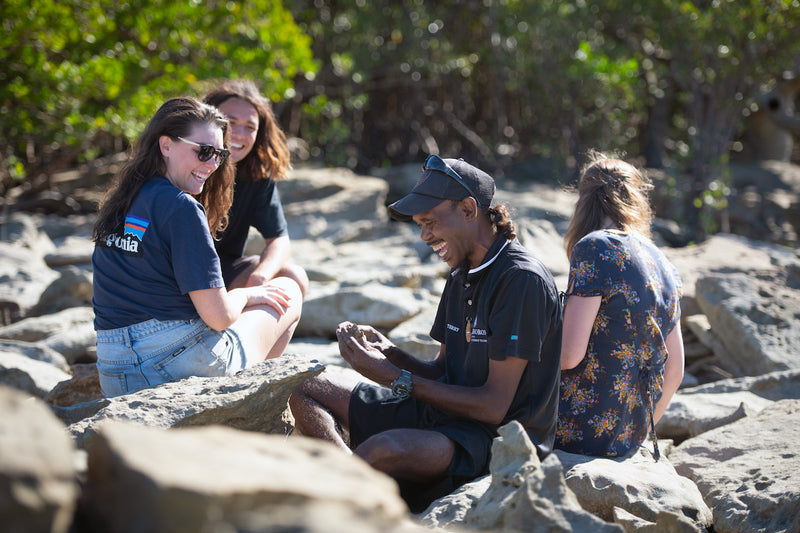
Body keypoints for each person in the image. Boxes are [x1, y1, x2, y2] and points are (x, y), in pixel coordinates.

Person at [289, 155, 563, 512]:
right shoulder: (463, 271)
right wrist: (390, 354)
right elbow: (442, 373)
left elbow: (494, 406)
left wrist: (397, 379)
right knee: (306, 388)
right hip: (444, 416)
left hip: (495, 439)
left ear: (468, 209)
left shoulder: (520, 281)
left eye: (430, 222)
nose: (424, 235)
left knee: (384, 449)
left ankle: (338, 498)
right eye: (419, 224)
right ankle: (352, 482)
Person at [91, 97, 303, 397]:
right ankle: (253, 400)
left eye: (219, 154)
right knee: (288, 292)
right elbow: (219, 318)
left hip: (113, 368)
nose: (213, 165)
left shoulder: (121, 199)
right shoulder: (182, 207)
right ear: (165, 145)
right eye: (203, 152)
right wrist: (245, 294)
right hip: (175, 365)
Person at [555, 151, 684, 460]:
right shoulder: (662, 261)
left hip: (576, 432)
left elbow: (569, 356)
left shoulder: (594, 247)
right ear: (634, 197)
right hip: (626, 438)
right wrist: (639, 433)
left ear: (583, 200)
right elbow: (675, 370)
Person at [203, 80, 308, 296]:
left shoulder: (255, 175)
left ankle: (235, 331)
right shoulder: (183, 164)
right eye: (230, 121)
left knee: (292, 277)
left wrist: (259, 277)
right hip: (169, 274)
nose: (239, 133)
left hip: (222, 270)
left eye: (250, 127)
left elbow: (279, 240)